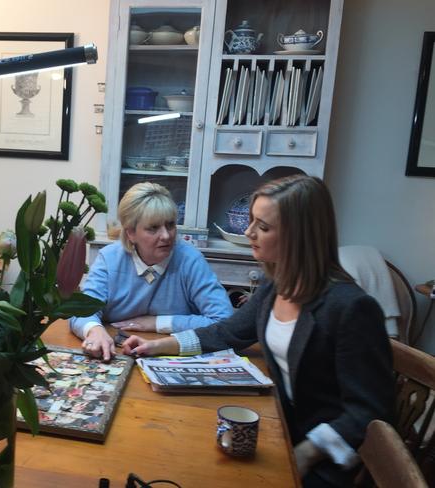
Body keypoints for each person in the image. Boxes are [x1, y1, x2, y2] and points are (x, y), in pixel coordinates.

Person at [122, 175, 393, 487]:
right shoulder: (275, 287)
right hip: (283, 433)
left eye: (263, 227)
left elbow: (371, 413)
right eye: (252, 221)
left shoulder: (351, 309)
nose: (249, 232)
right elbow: (226, 332)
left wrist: (305, 453)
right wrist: (157, 347)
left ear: (299, 236)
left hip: (326, 463)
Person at [70, 182, 233, 360]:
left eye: (170, 225)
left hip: (170, 353)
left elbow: (224, 321)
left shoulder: (190, 260)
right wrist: (95, 330)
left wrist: (157, 323)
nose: (166, 235)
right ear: (131, 233)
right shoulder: (109, 259)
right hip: (120, 352)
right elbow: (80, 310)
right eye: (153, 228)